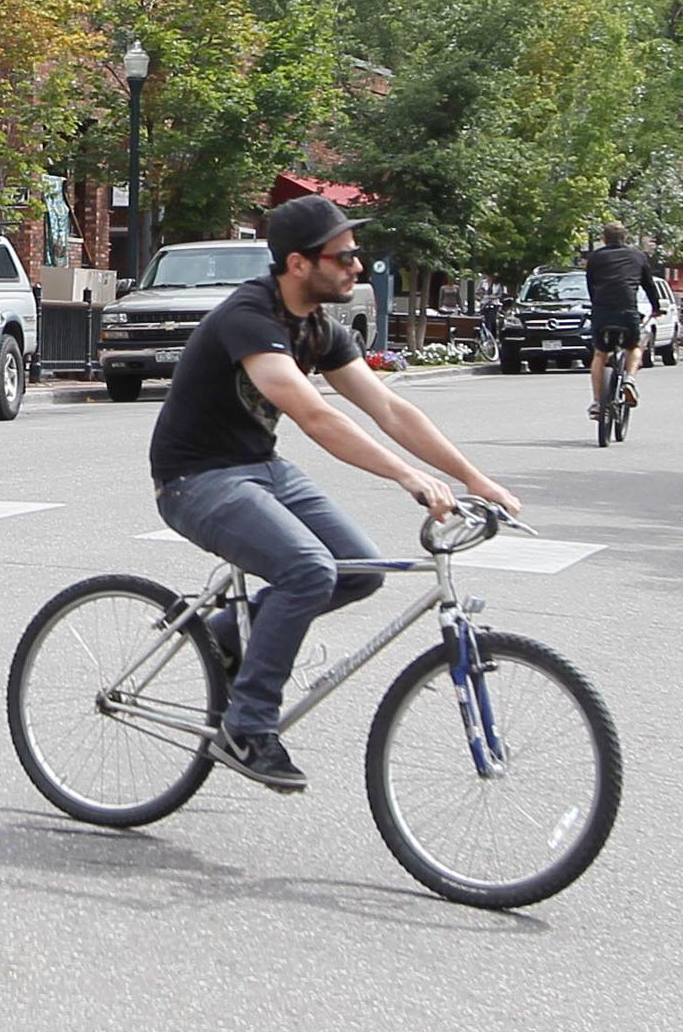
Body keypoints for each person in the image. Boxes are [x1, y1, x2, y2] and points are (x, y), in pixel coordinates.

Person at [148, 194, 525, 794]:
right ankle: (249, 725)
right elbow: (315, 417)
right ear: (299, 264)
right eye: (345, 255)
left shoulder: (317, 327)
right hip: (195, 479)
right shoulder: (252, 316)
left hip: (259, 467)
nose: (358, 266)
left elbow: (389, 408)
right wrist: (407, 477)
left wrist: (473, 478)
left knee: (361, 570)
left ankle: (223, 635)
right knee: (307, 570)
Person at [580, 220, 652, 421]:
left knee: (600, 354)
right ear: (625, 238)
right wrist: (655, 308)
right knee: (634, 347)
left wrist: (597, 306)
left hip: (603, 311)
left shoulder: (595, 258)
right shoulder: (638, 256)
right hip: (627, 310)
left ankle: (596, 402)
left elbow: (591, 285)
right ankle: (629, 380)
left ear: (604, 239)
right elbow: (648, 285)